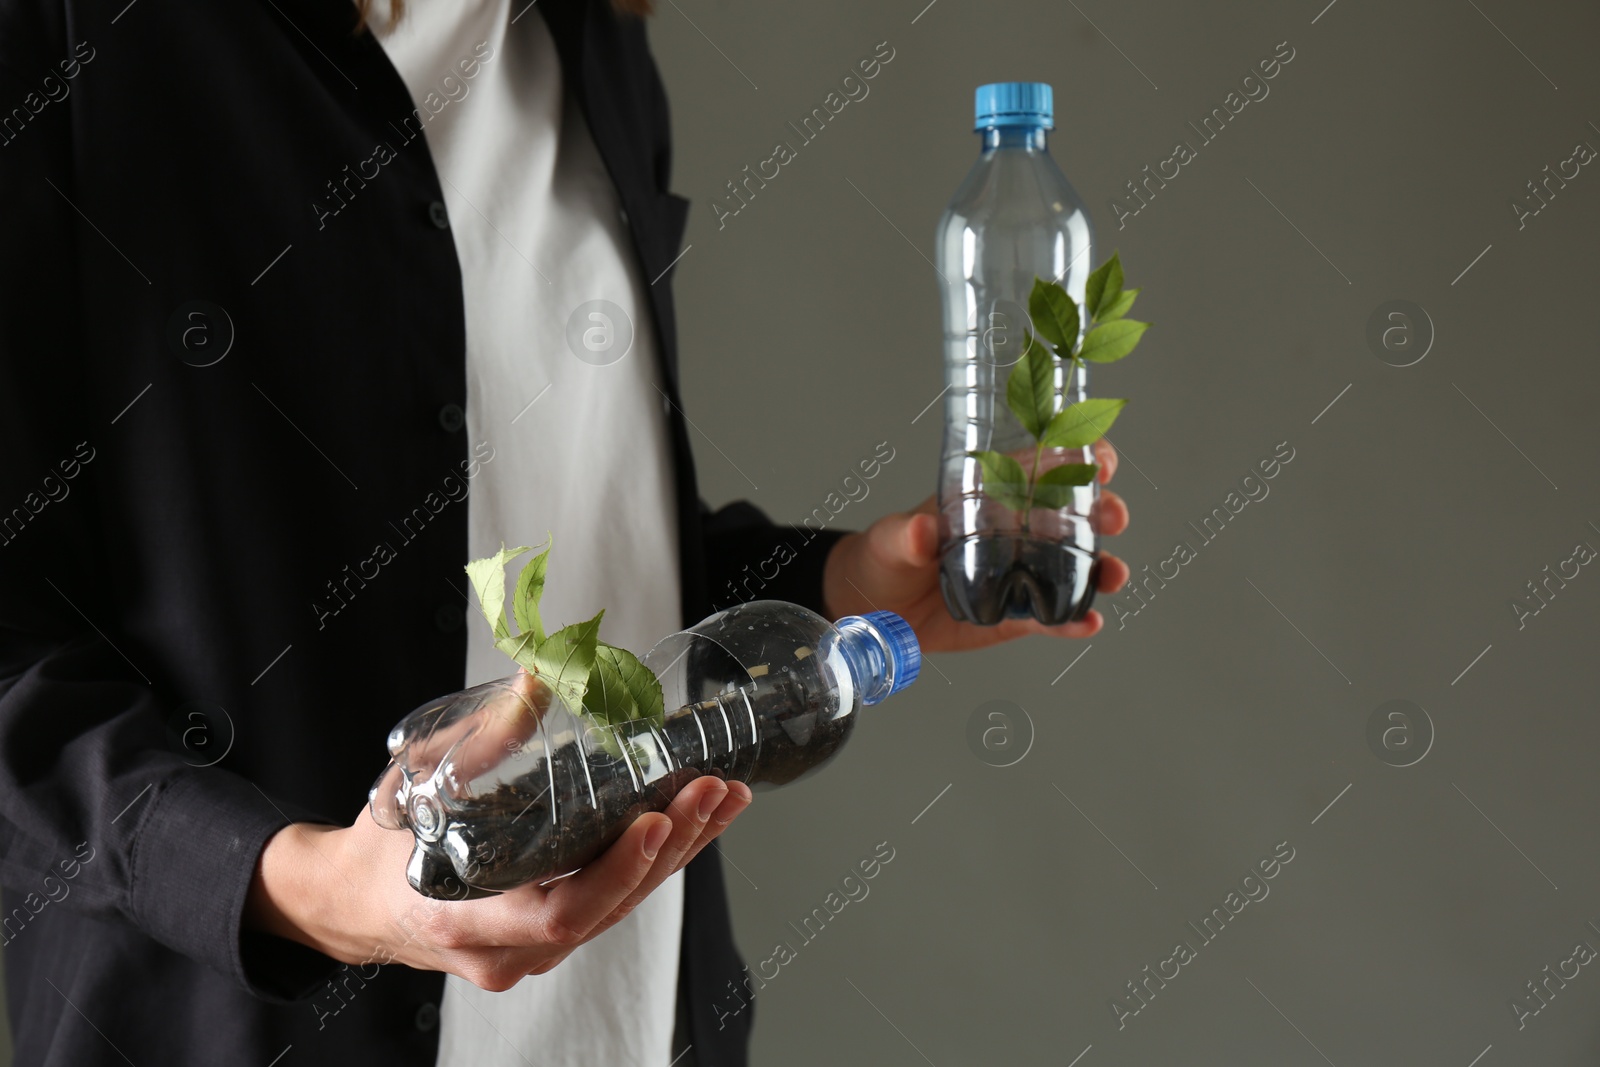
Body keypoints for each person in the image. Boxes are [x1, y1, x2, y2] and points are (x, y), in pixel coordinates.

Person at [0, 0, 1130, 1063]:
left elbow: (576, 515)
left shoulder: (592, 50)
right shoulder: (74, 38)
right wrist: (296, 881)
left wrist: (844, 581)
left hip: (629, 1017)